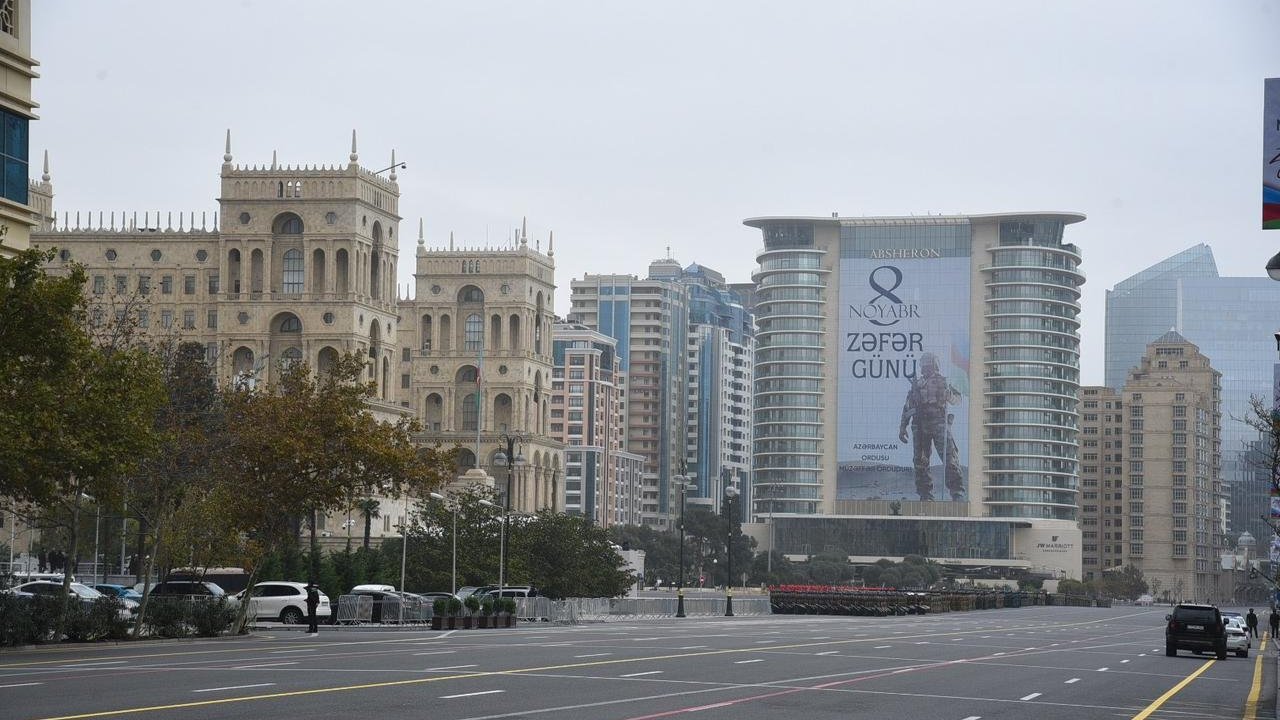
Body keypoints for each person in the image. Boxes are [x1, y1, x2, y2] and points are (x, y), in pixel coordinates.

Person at [898, 352, 965, 502]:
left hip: (939, 423)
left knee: (949, 458)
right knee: (921, 461)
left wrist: (948, 395)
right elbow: (908, 407)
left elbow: (958, 400)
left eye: (929, 365)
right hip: (920, 425)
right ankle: (925, 494)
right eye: (925, 366)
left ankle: (957, 492)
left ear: (935, 365)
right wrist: (903, 427)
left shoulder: (944, 382)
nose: (926, 368)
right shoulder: (916, 385)